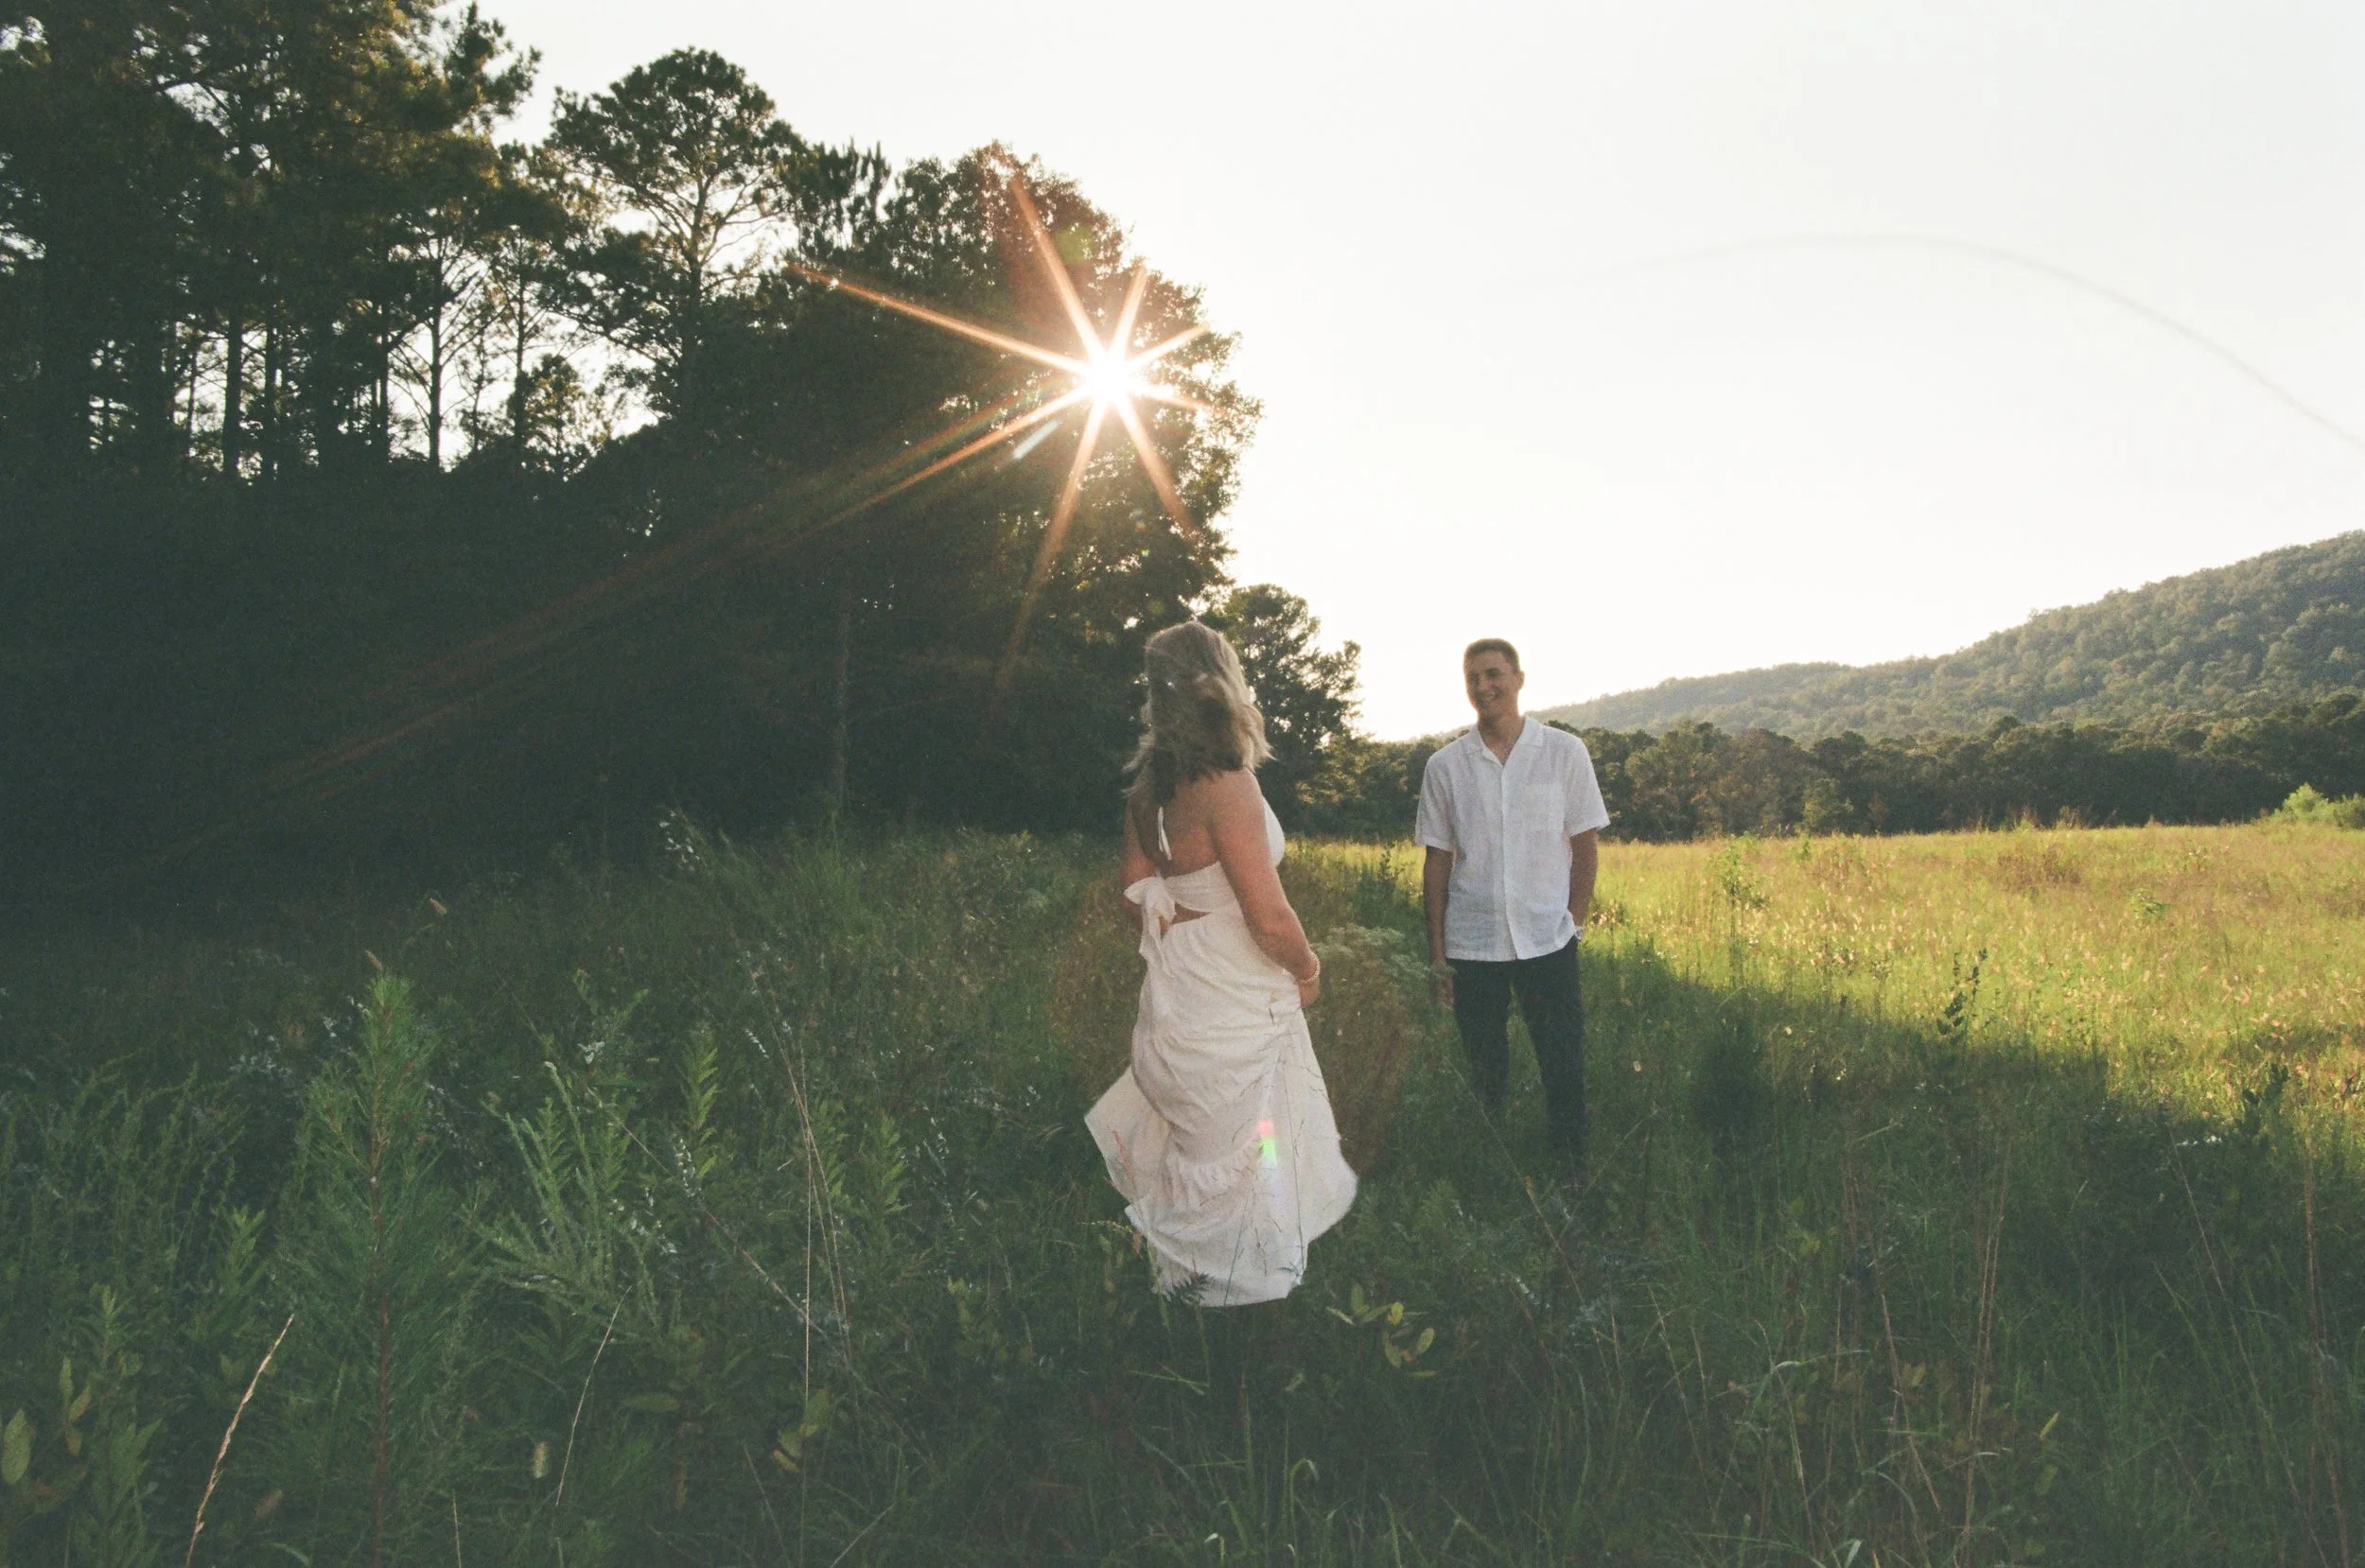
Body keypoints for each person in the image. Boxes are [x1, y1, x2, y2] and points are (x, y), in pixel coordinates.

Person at [1085, 620, 1357, 1305]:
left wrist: (1181, 917)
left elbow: (1131, 890)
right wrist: (1310, 969)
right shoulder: (1228, 785)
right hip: (1235, 990)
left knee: (1205, 1141)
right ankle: (1241, 1297)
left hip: (1180, 988)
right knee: (1249, 1139)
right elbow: (1269, 918)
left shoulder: (1150, 792)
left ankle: (1185, 1285)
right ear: (1223, 681)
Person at [1415, 637, 1608, 1160]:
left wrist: (1573, 922)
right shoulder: (1445, 766)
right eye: (1473, 678)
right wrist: (1437, 954)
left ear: (1519, 679)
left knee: (1563, 1065)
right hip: (1472, 944)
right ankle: (1489, 1169)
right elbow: (1436, 863)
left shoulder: (1565, 753)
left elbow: (1585, 845)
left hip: (1548, 939)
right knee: (1484, 1070)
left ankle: (1570, 1171)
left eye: (1494, 674)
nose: (1484, 687)